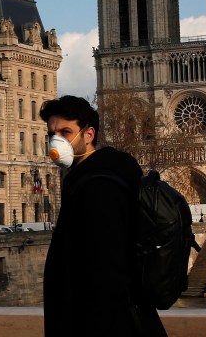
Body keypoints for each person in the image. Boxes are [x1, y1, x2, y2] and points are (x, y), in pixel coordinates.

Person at [40, 95, 166, 337]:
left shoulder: (97, 186)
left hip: (102, 322)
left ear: (89, 135)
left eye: (66, 132)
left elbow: (105, 271)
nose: (56, 141)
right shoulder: (94, 177)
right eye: (52, 134)